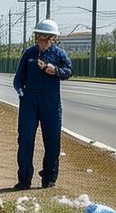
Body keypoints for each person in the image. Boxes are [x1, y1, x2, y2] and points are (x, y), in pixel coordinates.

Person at [12, 18, 73, 190]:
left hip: (51, 101)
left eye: (46, 39)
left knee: (52, 140)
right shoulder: (29, 53)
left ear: (53, 39)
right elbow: (17, 80)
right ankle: (24, 179)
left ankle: (49, 178)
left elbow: (69, 71)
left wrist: (55, 71)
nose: (42, 42)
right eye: (40, 38)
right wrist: (22, 94)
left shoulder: (59, 54)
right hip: (29, 102)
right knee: (25, 140)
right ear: (36, 37)